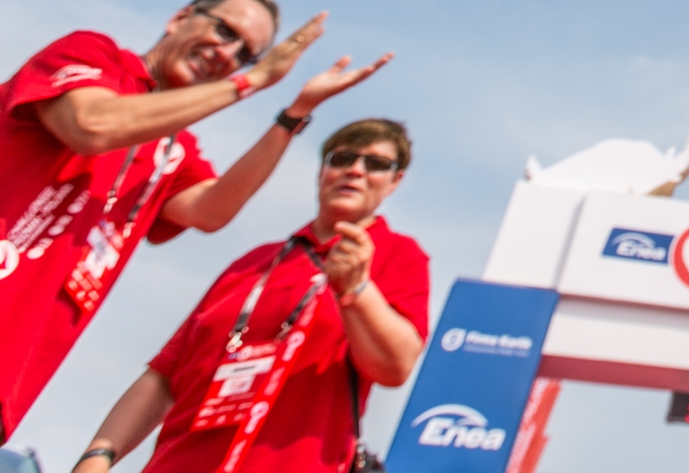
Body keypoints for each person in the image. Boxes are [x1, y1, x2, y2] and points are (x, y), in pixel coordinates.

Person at [0, 0, 390, 447]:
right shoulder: (93, 54)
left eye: (245, 54)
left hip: (7, 376)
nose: (228, 54)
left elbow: (212, 209)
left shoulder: (171, 147)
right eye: (225, 31)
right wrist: (251, 81)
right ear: (180, 16)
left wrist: (294, 115)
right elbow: (91, 125)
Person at [75, 118, 429, 473]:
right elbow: (165, 375)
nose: (355, 170)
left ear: (395, 181)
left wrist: (357, 290)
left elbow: (395, 367)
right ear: (323, 169)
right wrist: (100, 454)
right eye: (342, 159)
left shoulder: (398, 255)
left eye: (376, 164)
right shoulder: (255, 262)